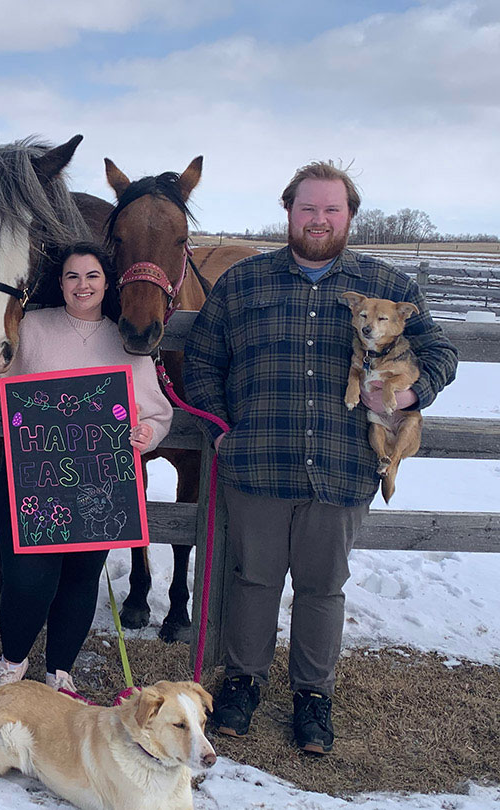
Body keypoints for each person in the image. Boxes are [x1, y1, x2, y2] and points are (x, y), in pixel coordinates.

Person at [184, 162, 458, 753]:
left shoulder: (387, 287)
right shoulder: (244, 282)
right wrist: (223, 432)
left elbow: (440, 351)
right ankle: (242, 683)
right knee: (253, 580)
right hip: (257, 461)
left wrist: (409, 393)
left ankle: (313, 696)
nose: (319, 219)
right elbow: (203, 361)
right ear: (289, 212)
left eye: (332, 209)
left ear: (349, 217)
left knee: (322, 586)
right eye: (308, 208)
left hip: (343, 464)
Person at [0, 242, 173, 696]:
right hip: (34, 479)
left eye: (91, 277)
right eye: (72, 277)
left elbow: (156, 411)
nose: (82, 286)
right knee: (29, 577)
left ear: (108, 283)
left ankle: (60, 670)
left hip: (99, 483)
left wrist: (147, 435)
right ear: (59, 283)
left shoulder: (124, 341)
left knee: (82, 578)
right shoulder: (33, 328)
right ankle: (12, 662)